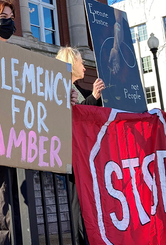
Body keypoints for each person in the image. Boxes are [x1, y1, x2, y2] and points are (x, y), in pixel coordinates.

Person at [0, 0, 78, 244]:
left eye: (12, 18)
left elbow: (38, 93)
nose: (11, 23)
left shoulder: (18, 57)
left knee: (18, 201)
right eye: (5, 18)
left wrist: (66, 94)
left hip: (18, 136)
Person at [56, 46, 104, 245]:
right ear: (70, 63)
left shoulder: (81, 90)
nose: (84, 67)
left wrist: (97, 98)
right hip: (72, 153)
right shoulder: (58, 88)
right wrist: (93, 98)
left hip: (88, 153)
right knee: (78, 202)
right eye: (81, 62)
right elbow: (72, 117)